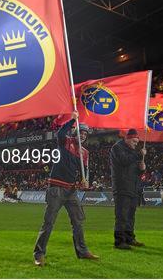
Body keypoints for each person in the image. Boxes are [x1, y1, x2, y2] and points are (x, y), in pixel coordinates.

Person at [33, 111, 98, 266]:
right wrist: (72, 120)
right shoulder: (65, 141)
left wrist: (85, 182)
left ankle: (82, 251)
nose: (83, 136)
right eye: (80, 133)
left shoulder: (85, 153)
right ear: (74, 133)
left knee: (78, 222)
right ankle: (39, 254)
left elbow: (85, 173)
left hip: (71, 191)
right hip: (56, 188)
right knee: (48, 223)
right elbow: (60, 132)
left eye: (85, 134)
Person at [109, 129, 147, 250]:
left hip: (132, 187)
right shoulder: (117, 148)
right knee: (122, 215)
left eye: (137, 141)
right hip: (122, 187)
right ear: (127, 138)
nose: (136, 144)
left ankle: (129, 238)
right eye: (134, 141)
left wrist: (142, 168)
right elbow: (124, 161)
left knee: (131, 215)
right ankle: (119, 241)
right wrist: (139, 155)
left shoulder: (132, 151)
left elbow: (136, 170)